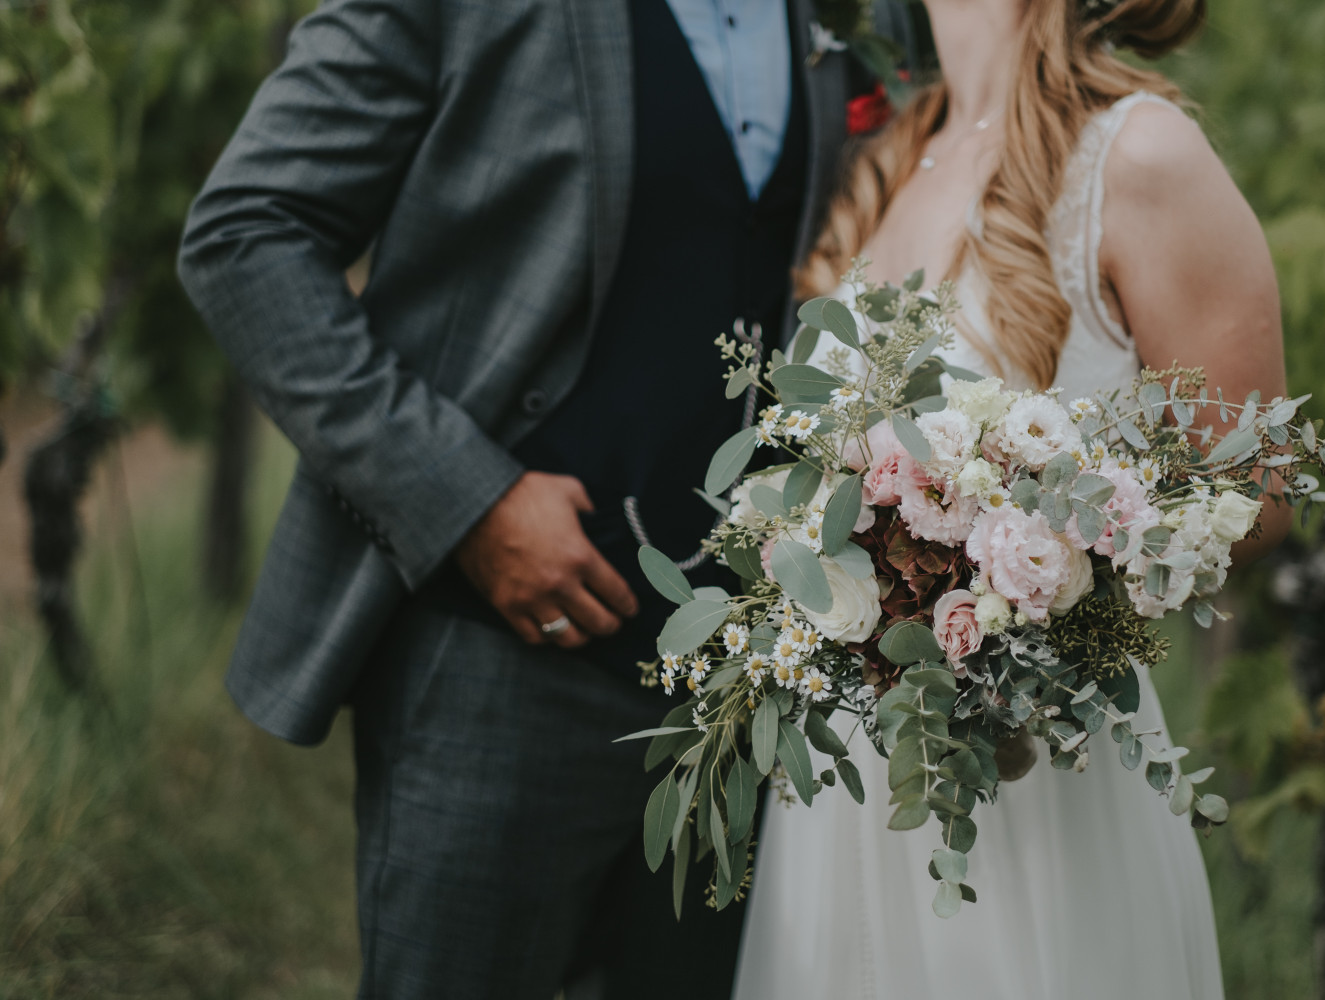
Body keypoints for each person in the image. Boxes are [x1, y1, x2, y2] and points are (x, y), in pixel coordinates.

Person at [176, 1, 906, 996]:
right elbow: (246, 232)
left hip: (747, 696)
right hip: (496, 663)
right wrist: (468, 500)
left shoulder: (830, 15)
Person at [733, 0, 1287, 997]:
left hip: (1035, 780)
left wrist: (1033, 564)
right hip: (851, 790)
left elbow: (1257, 492)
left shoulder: (1142, 156)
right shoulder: (899, 153)